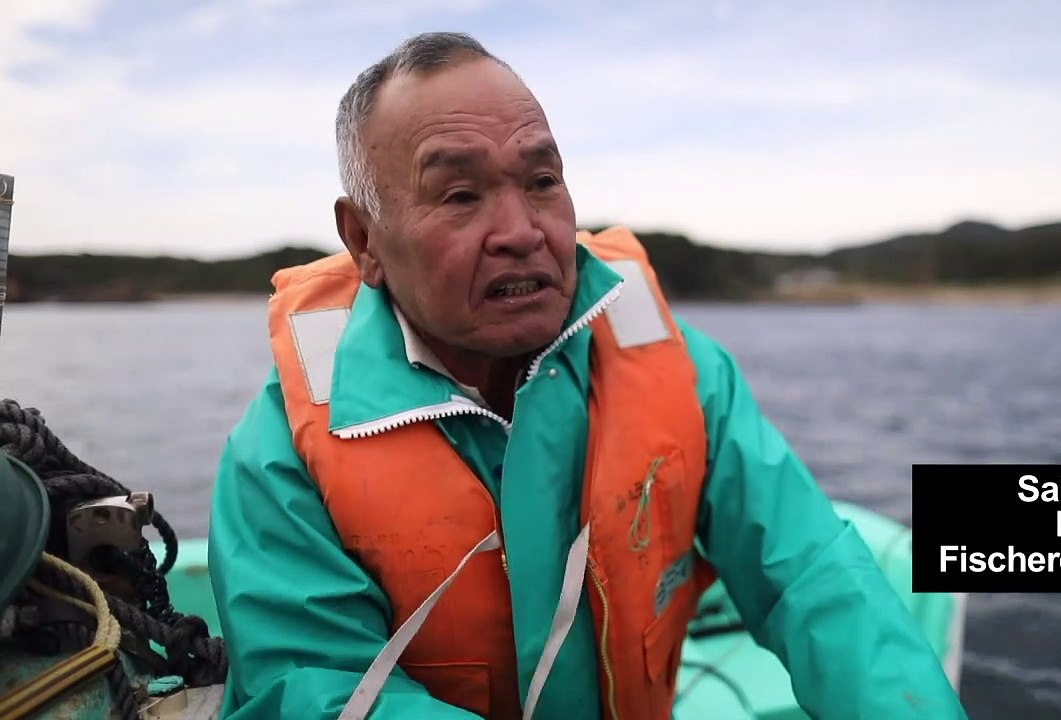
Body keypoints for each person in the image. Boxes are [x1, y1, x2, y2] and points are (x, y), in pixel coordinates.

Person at [207, 31, 968, 720]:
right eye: (461, 196)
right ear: (364, 240)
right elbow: (318, 691)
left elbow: (811, 577)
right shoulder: (281, 458)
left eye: (542, 181)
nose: (521, 232)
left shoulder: (687, 374)